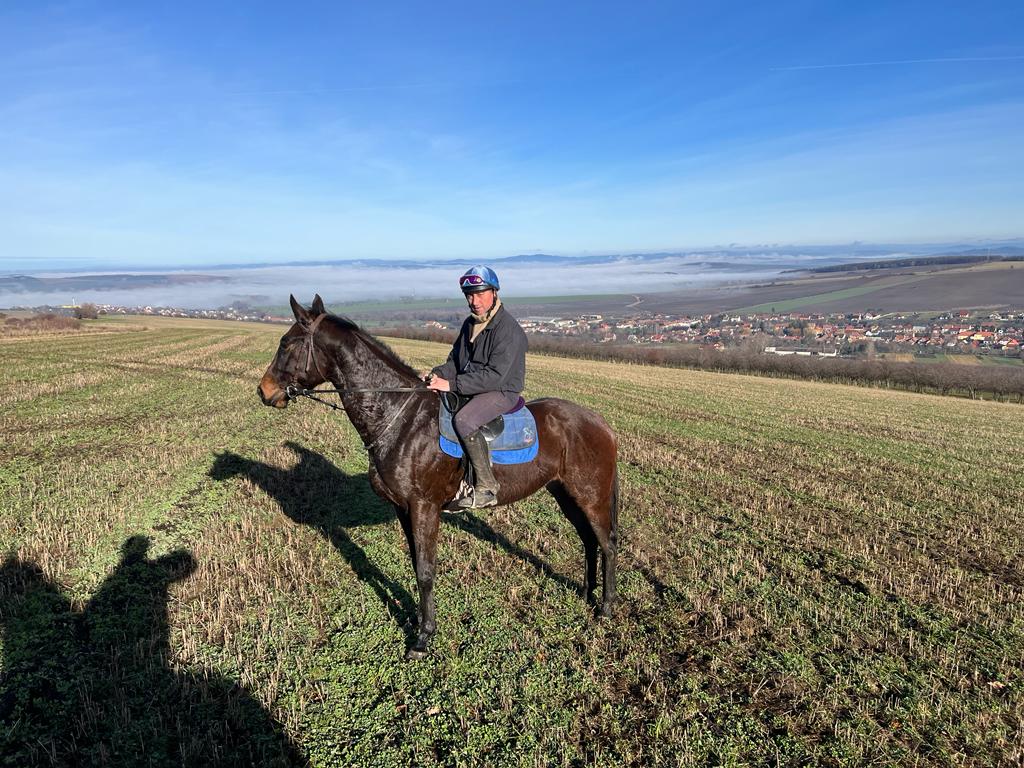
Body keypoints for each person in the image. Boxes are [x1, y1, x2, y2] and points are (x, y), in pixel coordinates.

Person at [426, 266, 528, 508]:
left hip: (501, 391)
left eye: (480, 294)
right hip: (473, 384)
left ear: (494, 292)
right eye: (469, 295)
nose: (474, 301)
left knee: (464, 421)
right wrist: (437, 374)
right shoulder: (470, 325)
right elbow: (456, 361)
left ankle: (487, 487)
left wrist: (451, 384)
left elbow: (494, 377)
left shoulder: (508, 330)